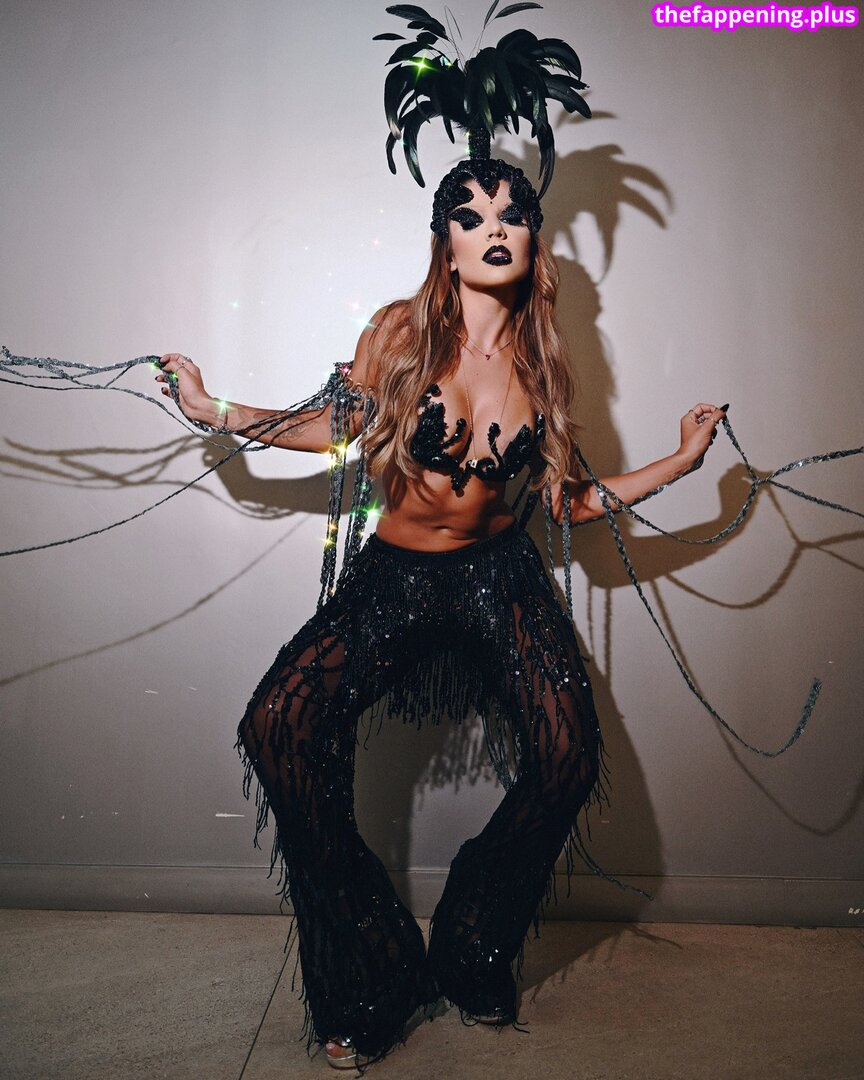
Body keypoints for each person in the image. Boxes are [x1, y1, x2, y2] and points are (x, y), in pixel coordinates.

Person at [154, 157, 725, 1069]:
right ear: (445, 243)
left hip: (500, 578)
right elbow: (333, 426)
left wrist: (682, 461)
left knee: (569, 754)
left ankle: (473, 940)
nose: (493, 228)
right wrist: (211, 407)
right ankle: (374, 968)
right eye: (471, 215)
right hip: (398, 579)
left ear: (532, 240)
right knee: (277, 724)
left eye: (511, 214)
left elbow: (567, 503)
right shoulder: (399, 331)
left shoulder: (544, 360)